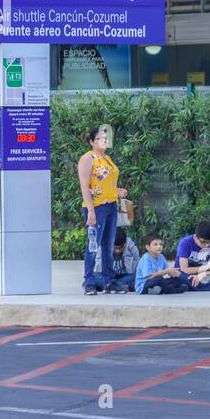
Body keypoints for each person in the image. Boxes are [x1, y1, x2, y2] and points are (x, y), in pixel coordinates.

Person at [78, 126, 127, 295]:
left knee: (108, 246)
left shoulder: (107, 158)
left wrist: (117, 192)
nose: (104, 141)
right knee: (93, 245)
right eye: (100, 138)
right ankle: (89, 281)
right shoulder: (88, 158)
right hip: (96, 207)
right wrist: (90, 210)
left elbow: (106, 182)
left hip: (111, 205)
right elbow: (85, 186)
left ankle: (109, 281)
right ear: (92, 142)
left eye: (105, 138)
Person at [109, 227, 140, 293]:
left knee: (135, 276)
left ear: (125, 245)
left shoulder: (133, 249)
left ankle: (113, 286)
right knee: (96, 277)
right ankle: (119, 286)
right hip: (109, 276)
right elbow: (99, 270)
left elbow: (131, 271)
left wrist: (126, 253)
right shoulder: (104, 247)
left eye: (119, 248)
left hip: (125, 275)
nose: (117, 251)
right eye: (114, 248)